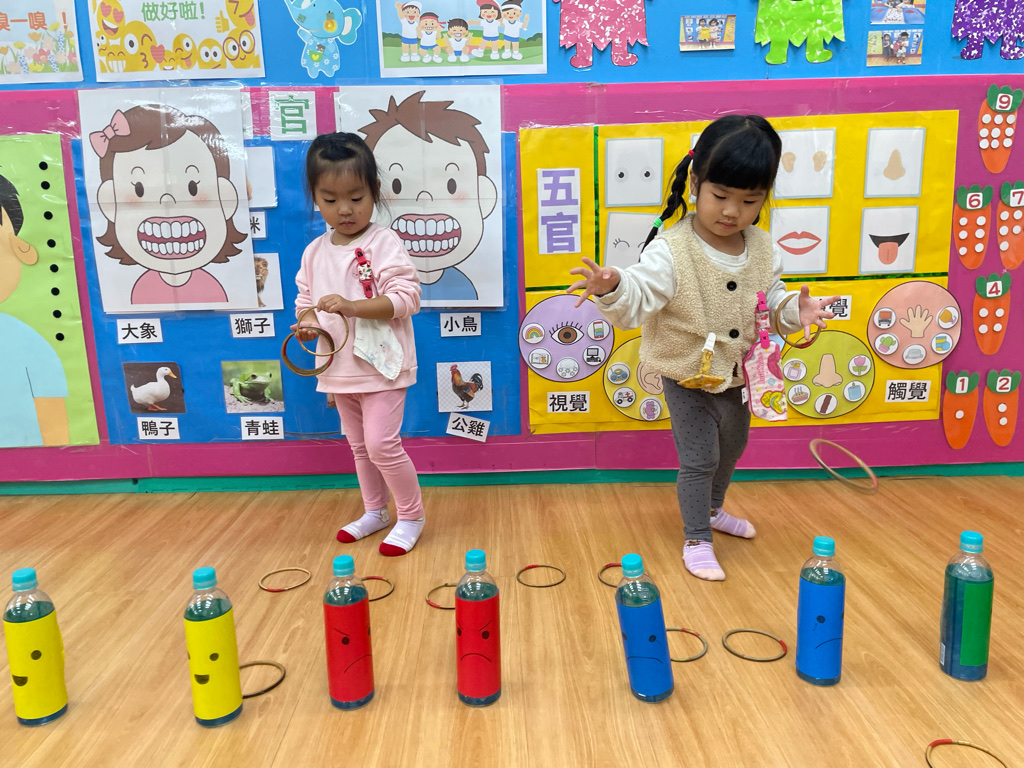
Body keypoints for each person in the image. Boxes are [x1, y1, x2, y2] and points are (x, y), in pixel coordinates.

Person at [568, 115, 838, 582]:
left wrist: (796, 310)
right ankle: (696, 537)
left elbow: (770, 302)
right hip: (686, 374)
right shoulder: (671, 250)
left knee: (733, 446)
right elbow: (638, 294)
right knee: (700, 459)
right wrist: (614, 286)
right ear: (695, 183)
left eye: (749, 201)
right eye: (720, 195)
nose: (732, 211)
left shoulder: (764, 248)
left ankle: (712, 510)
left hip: (737, 374)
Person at [293, 133, 425, 556]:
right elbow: (304, 302)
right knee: (360, 448)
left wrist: (353, 306)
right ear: (315, 196)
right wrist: (308, 325)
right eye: (330, 199)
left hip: (383, 366)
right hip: (339, 370)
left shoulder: (383, 242)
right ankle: (375, 511)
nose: (345, 209)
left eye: (356, 197)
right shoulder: (314, 251)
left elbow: (407, 299)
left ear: (374, 191)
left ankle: (411, 516)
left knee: (382, 445)